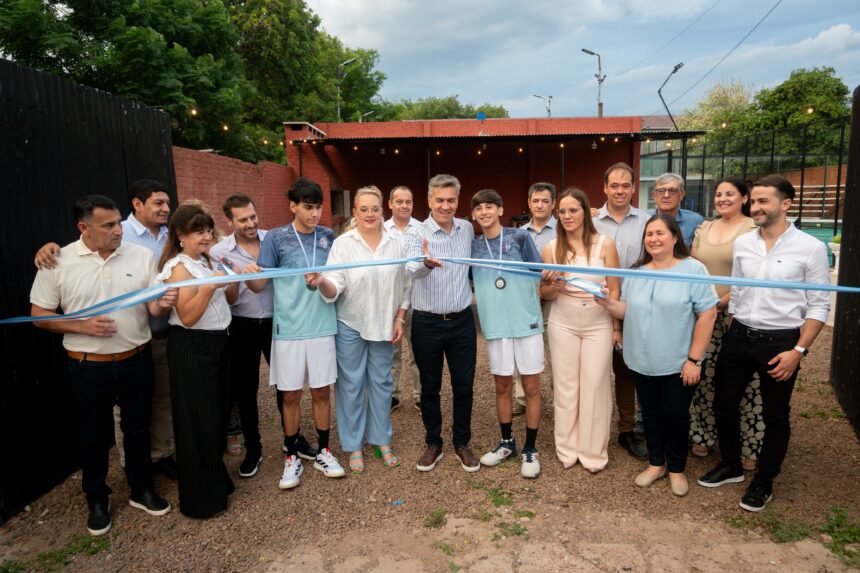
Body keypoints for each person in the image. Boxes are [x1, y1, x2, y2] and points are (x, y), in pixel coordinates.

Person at [30, 195, 175, 535]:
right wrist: (79, 325)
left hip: (136, 359)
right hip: (87, 367)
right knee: (93, 436)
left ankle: (140, 489)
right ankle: (97, 499)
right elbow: (39, 316)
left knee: (138, 428)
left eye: (118, 222)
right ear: (84, 227)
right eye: (108, 225)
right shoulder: (58, 260)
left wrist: (163, 303)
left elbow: (153, 308)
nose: (118, 230)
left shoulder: (140, 256)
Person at [698, 175, 830, 512]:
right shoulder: (745, 244)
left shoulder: (811, 248)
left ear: (785, 204)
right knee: (724, 404)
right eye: (753, 201)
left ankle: (764, 481)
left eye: (763, 202)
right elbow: (739, 290)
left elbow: (819, 306)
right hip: (740, 334)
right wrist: (710, 309)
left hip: (781, 342)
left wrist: (797, 352)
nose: (755, 208)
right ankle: (731, 464)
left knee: (776, 415)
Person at [597, 214, 718, 496]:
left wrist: (694, 360)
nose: (653, 238)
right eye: (649, 234)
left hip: (678, 362)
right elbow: (628, 311)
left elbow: (708, 314)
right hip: (641, 359)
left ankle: (676, 468)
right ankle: (656, 463)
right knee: (650, 414)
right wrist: (607, 304)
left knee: (674, 415)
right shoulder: (637, 271)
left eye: (660, 233)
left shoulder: (693, 269)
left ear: (675, 237)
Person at [246, 178, 346, 489]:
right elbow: (260, 284)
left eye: (318, 207)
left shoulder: (329, 237)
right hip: (287, 328)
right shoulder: (275, 238)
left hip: (321, 326)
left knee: (321, 392)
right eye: (308, 207)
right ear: (293, 206)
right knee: (289, 394)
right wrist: (249, 275)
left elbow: (341, 276)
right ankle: (291, 455)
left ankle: (324, 451)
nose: (315, 213)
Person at [314, 186, 410, 474]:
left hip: (383, 323)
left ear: (383, 210)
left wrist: (400, 318)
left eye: (375, 208)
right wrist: (321, 282)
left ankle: (382, 439)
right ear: (354, 212)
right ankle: (354, 444)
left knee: (381, 383)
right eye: (364, 209)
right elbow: (334, 285)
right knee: (350, 385)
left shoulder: (396, 243)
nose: (370, 214)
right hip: (351, 323)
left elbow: (405, 284)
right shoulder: (343, 244)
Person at [155, 203, 239, 518]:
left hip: (219, 342)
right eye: (198, 232)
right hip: (192, 347)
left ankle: (217, 479)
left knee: (216, 417)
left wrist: (228, 280)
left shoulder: (207, 260)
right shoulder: (178, 267)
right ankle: (202, 499)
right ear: (180, 236)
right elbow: (188, 317)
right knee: (197, 422)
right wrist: (208, 286)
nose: (205, 237)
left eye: (207, 230)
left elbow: (231, 298)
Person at [210, 193, 299, 479]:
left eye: (253, 216)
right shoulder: (218, 252)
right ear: (229, 220)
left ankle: (293, 440)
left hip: (277, 321)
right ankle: (254, 448)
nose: (250, 223)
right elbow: (224, 293)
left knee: (286, 384)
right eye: (243, 219)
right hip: (242, 324)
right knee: (246, 389)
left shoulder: (273, 239)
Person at [540, 188, 621, 472]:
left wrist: (616, 327)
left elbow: (615, 289)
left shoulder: (605, 244)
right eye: (562, 211)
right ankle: (567, 449)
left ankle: (593, 451)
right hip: (563, 317)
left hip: (598, 318)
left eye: (573, 210)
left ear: (585, 211)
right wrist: (553, 284)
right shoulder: (551, 248)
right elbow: (545, 294)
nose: (567, 216)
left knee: (595, 383)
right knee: (565, 385)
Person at [403, 174, 479, 473]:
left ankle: (462, 442)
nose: (446, 206)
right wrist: (425, 263)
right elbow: (410, 269)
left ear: (457, 201)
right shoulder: (416, 233)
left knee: (464, 385)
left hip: (461, 321)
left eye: (451, 200)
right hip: (427, 323)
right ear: (429, 201)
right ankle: (433, 442)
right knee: (429, 386)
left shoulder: (467, 229)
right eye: (440, 200)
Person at [470, 189, 544, 478]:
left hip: (525, 323)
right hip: (496, 325)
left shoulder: (520, 238)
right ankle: (506, 443)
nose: (484, 212)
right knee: (502, 386)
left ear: (501, 210)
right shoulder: (473, 246)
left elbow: (538, 271)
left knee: (532, 386)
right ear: (474, 215)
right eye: (479, 208)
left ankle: (530, 448)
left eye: (490, 206)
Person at [688, 177, 761, 467]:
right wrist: (703, 305)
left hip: (736, 315)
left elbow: (751, 276)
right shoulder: (704, 227)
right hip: (704, 315)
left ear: (744, 198)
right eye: (719, 194)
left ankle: (748, 444)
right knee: (703, 376)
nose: (723, 199)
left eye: (730, 194)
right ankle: (703, 435)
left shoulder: (753, 230)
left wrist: (722, 302)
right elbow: (694, 267)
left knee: (743, 381)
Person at [592, 163, 650, 461]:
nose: (620, 190)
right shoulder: (592, 222)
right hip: (600, 306)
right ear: (605, 188)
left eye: (625, 185)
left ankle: (631, 429)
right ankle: (599, 427)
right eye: (614, 185)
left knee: (636, 369)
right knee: (604, 368)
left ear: (632, 187)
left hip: (640, 305)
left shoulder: (647, 221)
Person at [513, 182, 557, 416]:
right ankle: (522, 398)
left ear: (553, 204)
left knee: (556, 353)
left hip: (554, 300)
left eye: (545, 201)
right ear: (529, 203)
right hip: (526, 302)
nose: (540, 205)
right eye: (535, 201)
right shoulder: (519, 234)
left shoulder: (563, 229)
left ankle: (560, 400)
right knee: (524, 350)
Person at [384, 185, 421, 413]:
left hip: (418, 299)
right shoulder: (381, 229)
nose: (404, 206)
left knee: (419, 353)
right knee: (391, 352)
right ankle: (392, 396)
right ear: (390, 204)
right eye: (399, 201)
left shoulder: (421, 228)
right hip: (392, 299)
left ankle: (420, 396)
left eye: (408, 202)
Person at [651, 173, 704, 247]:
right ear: (654, 195)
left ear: (681, 195)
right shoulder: (644, 219)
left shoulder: (695, 221)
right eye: (661, 191)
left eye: (672, 190)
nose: (666, 195)